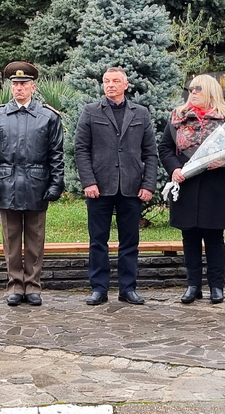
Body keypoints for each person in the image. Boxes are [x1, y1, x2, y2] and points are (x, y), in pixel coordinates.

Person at [0, 62, 64, 307]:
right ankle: (15, 285)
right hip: (7, 183)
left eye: (24, 84)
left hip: (37, 183)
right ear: (10, 87)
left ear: (33, 87)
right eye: (15, 84)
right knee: (12, 239)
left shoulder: (48, 116)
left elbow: (56, 154)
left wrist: (56, 183)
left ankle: (33, 286)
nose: (19, 88)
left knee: (36, 239)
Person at [158, 74, 225, 305]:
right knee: (190, 237)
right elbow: (165, 148)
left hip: (216, 185)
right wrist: (174, 169)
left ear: (210, 92)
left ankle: (217, 287)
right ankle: (193, 286)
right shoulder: (178, 117)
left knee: (214, 237)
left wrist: (224, 162)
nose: (193, 93)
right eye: (191, 89)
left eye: (198, 89)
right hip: (186, 184)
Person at [74, 67, 158, 306]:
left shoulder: (140, 113)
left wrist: (148, 184)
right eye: (106, 81)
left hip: (131, 187)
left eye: (115, 81)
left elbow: (150, 153)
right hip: (99, 187)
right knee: (97, 241)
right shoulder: (90, 112)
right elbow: (80, 149)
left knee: (129, 242)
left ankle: (127, 288)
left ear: (126, 84)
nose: (110, 85)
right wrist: (88, 181)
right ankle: (99, 288)